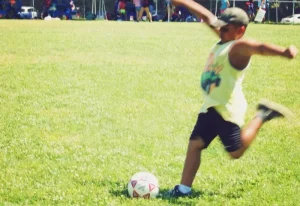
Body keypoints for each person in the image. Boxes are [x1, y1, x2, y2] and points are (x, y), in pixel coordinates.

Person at [164, 0, 298, 198]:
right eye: (220, 26)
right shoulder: (224, 37)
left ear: (240, 30)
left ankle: (262, 114)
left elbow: (259, 47)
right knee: (195, 145)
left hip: (226, 109)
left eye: (225, 28)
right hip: (211, 106)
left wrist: (283, 52)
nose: (220, 30)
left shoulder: (237, 48)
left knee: (235, 152)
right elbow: (206, 16)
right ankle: (183, 189)